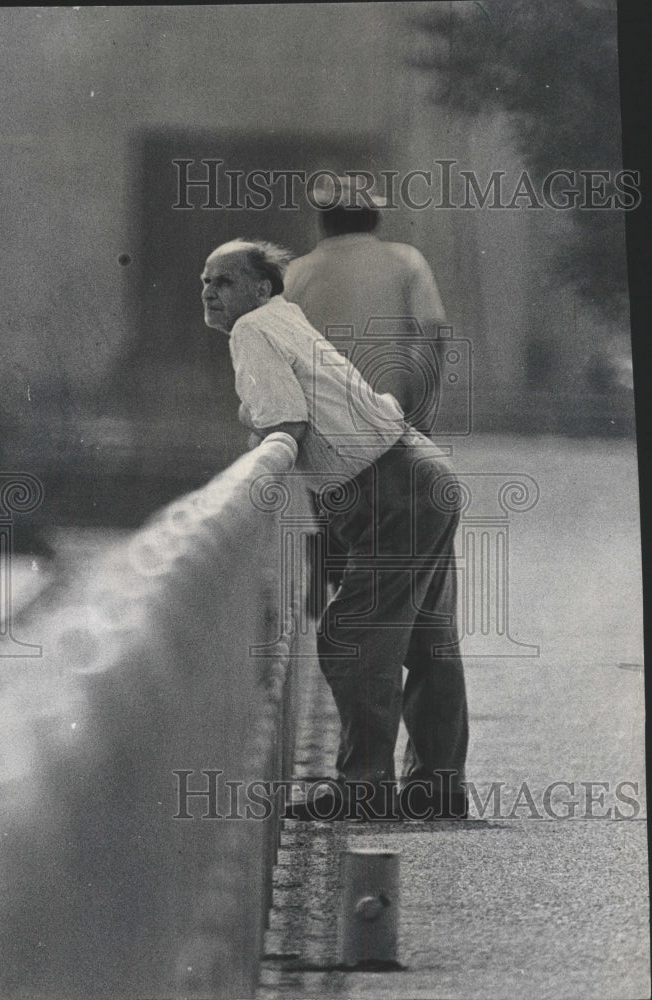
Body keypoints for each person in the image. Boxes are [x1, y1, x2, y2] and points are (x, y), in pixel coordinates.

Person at [201, 238, 468, 820]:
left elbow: (286, 421)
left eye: (224, 281)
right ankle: (437, 788)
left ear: (262, 289)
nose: (209, 292)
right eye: (205, 281)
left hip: (388, 488)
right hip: (421, 471)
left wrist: (259, 442)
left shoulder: (254, 330)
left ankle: (364, 791)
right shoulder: (287, 318)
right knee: (426, 640)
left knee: (351, 633)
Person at [285, 175, 448, 426]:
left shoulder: (294, 274)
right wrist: (419, 417)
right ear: (374, 218)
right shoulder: (406, 262)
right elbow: (432, 338)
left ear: (324, 221)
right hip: (391, 418)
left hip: (321, 424)